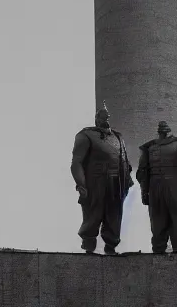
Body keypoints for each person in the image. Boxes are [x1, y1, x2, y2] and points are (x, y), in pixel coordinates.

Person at [70, 102, 134, 254]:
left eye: (107, 116)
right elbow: (76, 162)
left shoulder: (118, 137)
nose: (105, 119)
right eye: (101, 116)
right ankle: (89, 245)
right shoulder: (85, 135)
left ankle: (111, 246)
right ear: (96, 118)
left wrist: (127, 181)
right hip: (95, 181)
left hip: (116, 182)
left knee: (114, 215)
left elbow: (124, 160)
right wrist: (81, 184)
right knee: (93, 214)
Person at [136, 120, 177, 254]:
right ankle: (159, 249)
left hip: (174, 184)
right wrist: (144, 191)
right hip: (155, 186)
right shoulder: (149, 147)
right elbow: (143, 172)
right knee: (157, 220)